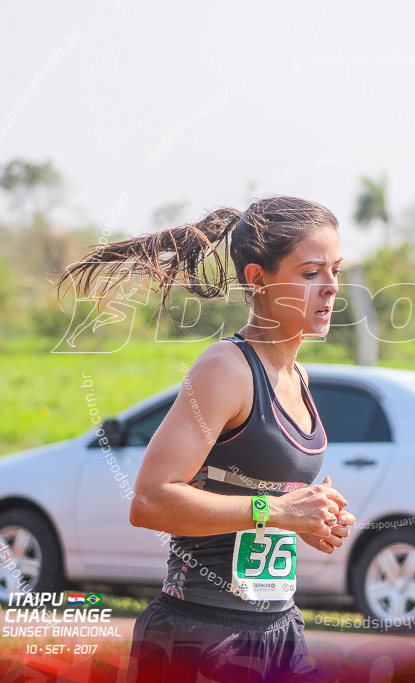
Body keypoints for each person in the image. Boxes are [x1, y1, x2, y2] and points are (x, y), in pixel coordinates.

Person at [59, 196, 355, 681]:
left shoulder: (297, 375)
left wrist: (306, 514)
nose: (330, 289)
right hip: (202, 636)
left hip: (278, 630)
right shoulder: (227, 369)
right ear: (258, 278)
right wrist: (277, 512)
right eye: (310, 274)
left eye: (335, 271)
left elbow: (250, 490)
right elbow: (151, 501)